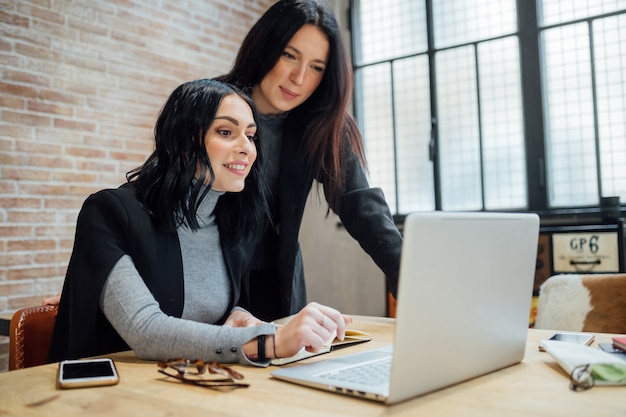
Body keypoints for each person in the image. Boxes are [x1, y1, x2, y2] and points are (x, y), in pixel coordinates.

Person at [48, 78, 351, 365]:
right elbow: (146, 330)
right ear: (183, 140)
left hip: (188, 387)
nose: (247, 147)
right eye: (225, 132)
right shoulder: (108, 212)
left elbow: (196, 305)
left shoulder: (229, 221)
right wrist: (268, 341)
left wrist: (239, 314)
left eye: (250, 134)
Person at [215, 0, 403, 321]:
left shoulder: (320, 124)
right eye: (290, 55)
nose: (299, 78)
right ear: (265, 45)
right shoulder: (212, 104)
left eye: (317, 67)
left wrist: (417, 286)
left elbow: (363, 209)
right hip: (212, 281)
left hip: (279, 286)